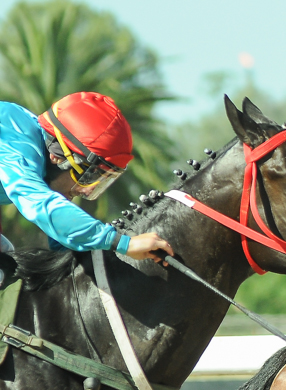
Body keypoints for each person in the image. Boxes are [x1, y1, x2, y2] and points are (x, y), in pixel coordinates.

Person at [0, 91, 173, 273]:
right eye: (89, 177)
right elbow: (40, 203)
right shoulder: (16, 144)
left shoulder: (33, 141)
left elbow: (57, 225)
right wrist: (122, 243)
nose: (87, 191)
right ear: (57, 157)